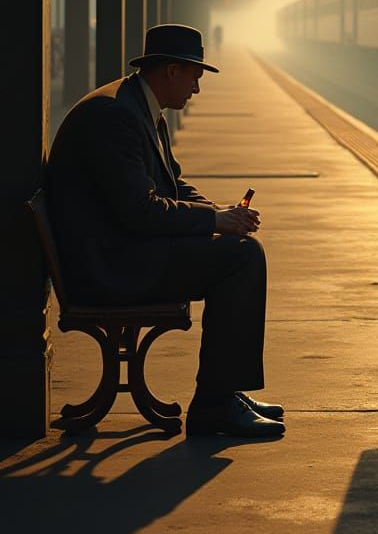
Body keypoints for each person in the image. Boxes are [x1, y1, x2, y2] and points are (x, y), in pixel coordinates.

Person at [46, 24, 284, 438]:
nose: (196, 90)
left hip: (120, 251)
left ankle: (224, 391)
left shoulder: (136, 105)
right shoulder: (117, 117)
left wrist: (220, 212)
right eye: (194, 77)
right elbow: (139, 212)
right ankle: (215, 404)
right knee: (242, 258)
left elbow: (173, 184)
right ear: (171, 71)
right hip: (108, 267)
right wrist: (213, 222)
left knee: (238, 247)